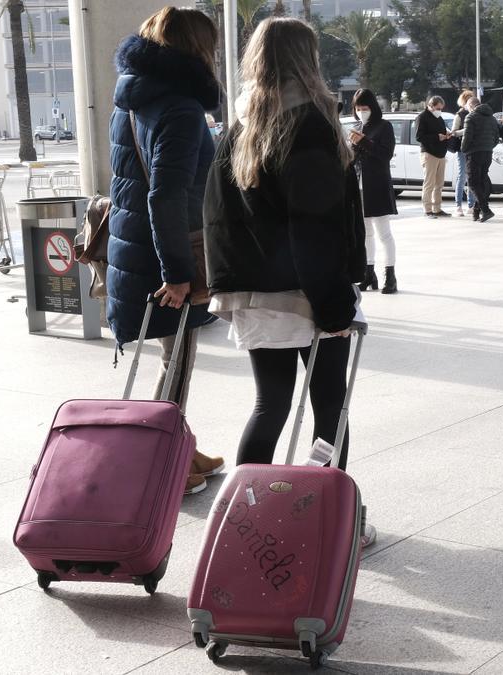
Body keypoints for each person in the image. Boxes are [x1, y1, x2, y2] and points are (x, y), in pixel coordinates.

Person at [202, 19, 373, 551]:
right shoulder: (309, 122)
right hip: (305, 287)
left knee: (270, 404)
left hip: (256, 291)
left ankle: (240, 521)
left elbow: (218, 213)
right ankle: (330, 521)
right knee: (329, 403)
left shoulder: (241, 122)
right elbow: (314, 222)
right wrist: (334, 301)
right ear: (308, 59)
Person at [109, 7, 224, 494]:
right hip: (166, 258)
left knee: (169, 355)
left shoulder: (133, 98)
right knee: (177, 360)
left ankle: (178, 443)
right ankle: (161, 468)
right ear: (198, 51)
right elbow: (166, 194)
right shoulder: (179, 108)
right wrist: (178, 272)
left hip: (136, 249)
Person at [349, 88, 398, 294]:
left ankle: (390, 275)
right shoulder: (357, 126)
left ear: (373, 108)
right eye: (358, 108)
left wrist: (363, 142)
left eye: (365, 108)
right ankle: (369, 273)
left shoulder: (384, 126)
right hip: (359, 187)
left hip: (376, 186)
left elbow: (385, 154)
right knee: (365, 233)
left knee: (383, 232)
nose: (361, 111)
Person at [462, 95, 499, 222]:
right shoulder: (492, 118)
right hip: (487, 153)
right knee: (482, 182)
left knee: (472, 182)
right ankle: (477, 212)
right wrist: (488, 146)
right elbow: (496, 137)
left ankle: (486, 210)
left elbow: (467, 137)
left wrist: (464, 149)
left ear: (471, 106)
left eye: (467, 106)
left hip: (474, 153)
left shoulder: (470, 117)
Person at [415, 95, 451, 218]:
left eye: (441, 108)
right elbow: (419, 137)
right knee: (429, 183)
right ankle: (427, 210)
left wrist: (447, 134)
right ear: (430, 106)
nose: (439, 111)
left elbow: (441, 131)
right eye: (437, 108)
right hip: (429, 153)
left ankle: (437, 208)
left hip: (441, 154)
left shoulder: (439, 118)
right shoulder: (422, 117)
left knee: (439, 183)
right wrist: (437, 137)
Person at [449, 90, 477, 217]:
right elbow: (454, 132)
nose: (471, 102)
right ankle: (458, 206)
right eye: (469, 99)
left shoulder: (475, 113)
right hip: (462, 148)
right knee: (462, 176)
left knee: (471, 176)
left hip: (473, 148)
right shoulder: (459, 115)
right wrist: (467, 130)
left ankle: (471, 205)